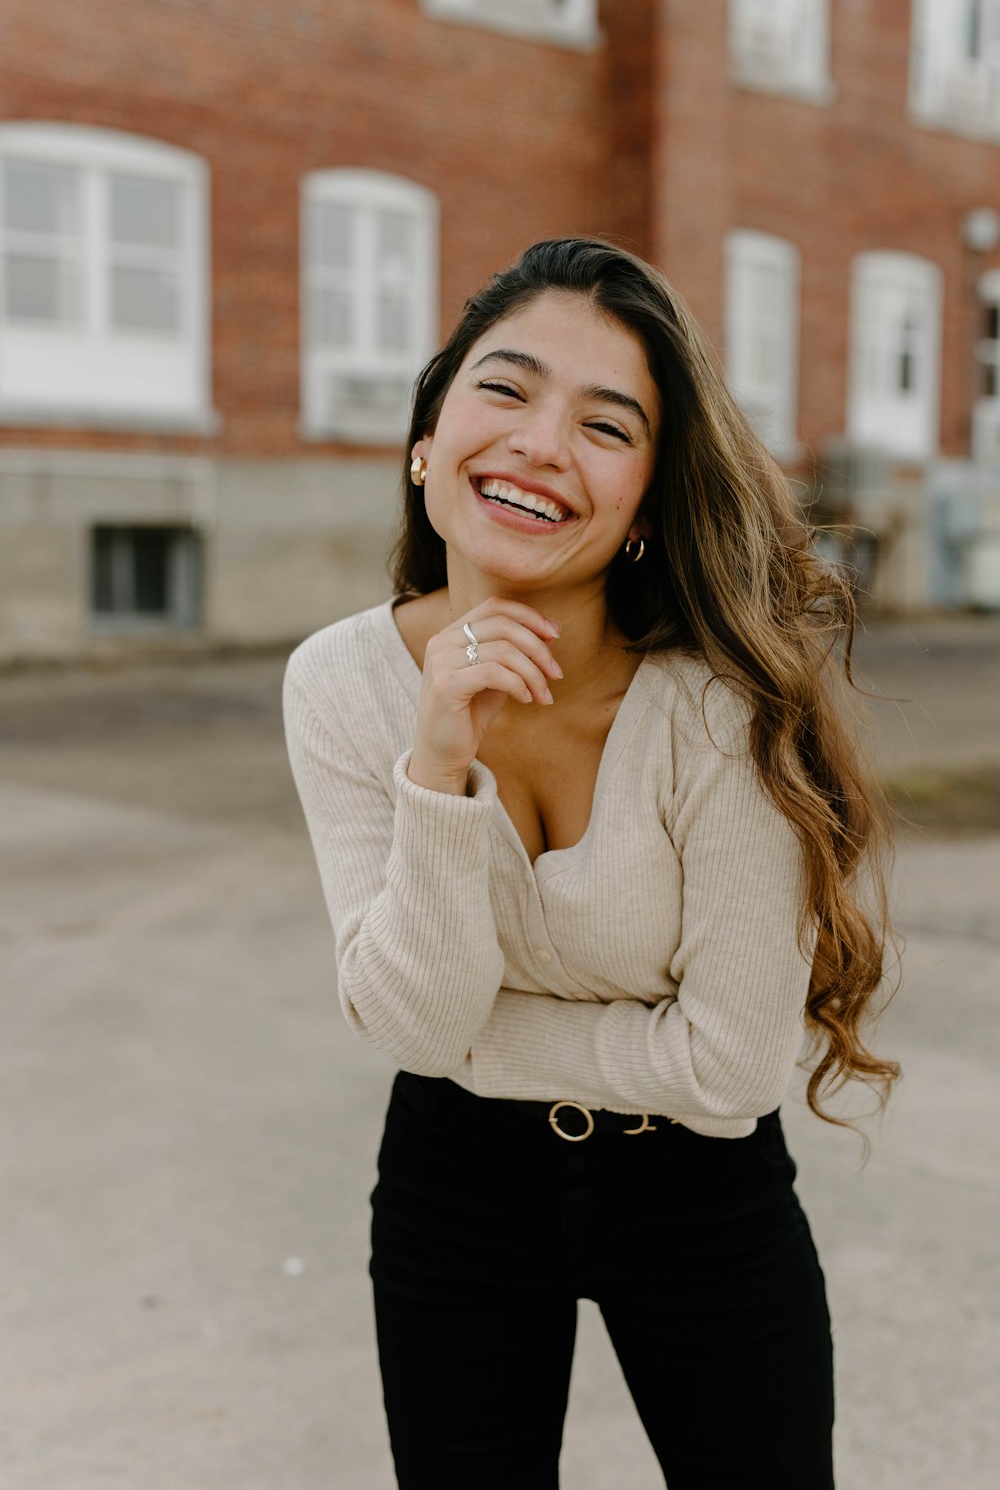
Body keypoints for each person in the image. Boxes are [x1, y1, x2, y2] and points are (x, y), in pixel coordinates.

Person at [283, 237, 899, 1489]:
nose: (538, 443)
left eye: (605, 426)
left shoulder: (719, 711)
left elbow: (729, 1072)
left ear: (646, 502)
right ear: (427, 437)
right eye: (503, 390)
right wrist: (439, 757)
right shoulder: (340, 684)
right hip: (453, 1190)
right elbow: (418, 1024)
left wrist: (480, 1046)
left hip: (703, 1200)